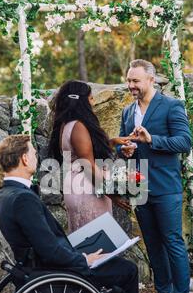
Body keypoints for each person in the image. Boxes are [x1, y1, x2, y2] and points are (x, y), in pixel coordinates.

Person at [0, 134, 152, 293]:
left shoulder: (7, 196)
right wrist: (83, 259)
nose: (37, 157)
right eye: (34, 153)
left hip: (39, 269)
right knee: (126, 270)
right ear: (24, 159)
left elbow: (44, 243)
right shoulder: (22, 199)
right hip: (53, 275)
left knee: (112, 263)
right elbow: (48, 249)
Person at [117, 59, 193, 293]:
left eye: (135, 80)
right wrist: (124, 150)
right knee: (152, 242)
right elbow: (122, 143)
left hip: (166, 186)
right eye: (129, 81)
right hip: (140, 186)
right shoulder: (127, 112)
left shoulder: (172, 106)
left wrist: (153, 140)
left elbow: (185, 141)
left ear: (151, 80)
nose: (131, 85)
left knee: (172, 242)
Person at [48, 80, 131, 233]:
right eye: (91, 98)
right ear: (82, 100)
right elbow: (88, 165)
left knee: (87, 241)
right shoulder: (79, 126)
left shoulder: (65, 124)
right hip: (88, 188)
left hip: (76, 186)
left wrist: (111, 142)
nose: (93, 102)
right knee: (99, 243)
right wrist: (111, 193)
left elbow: (81, 152)